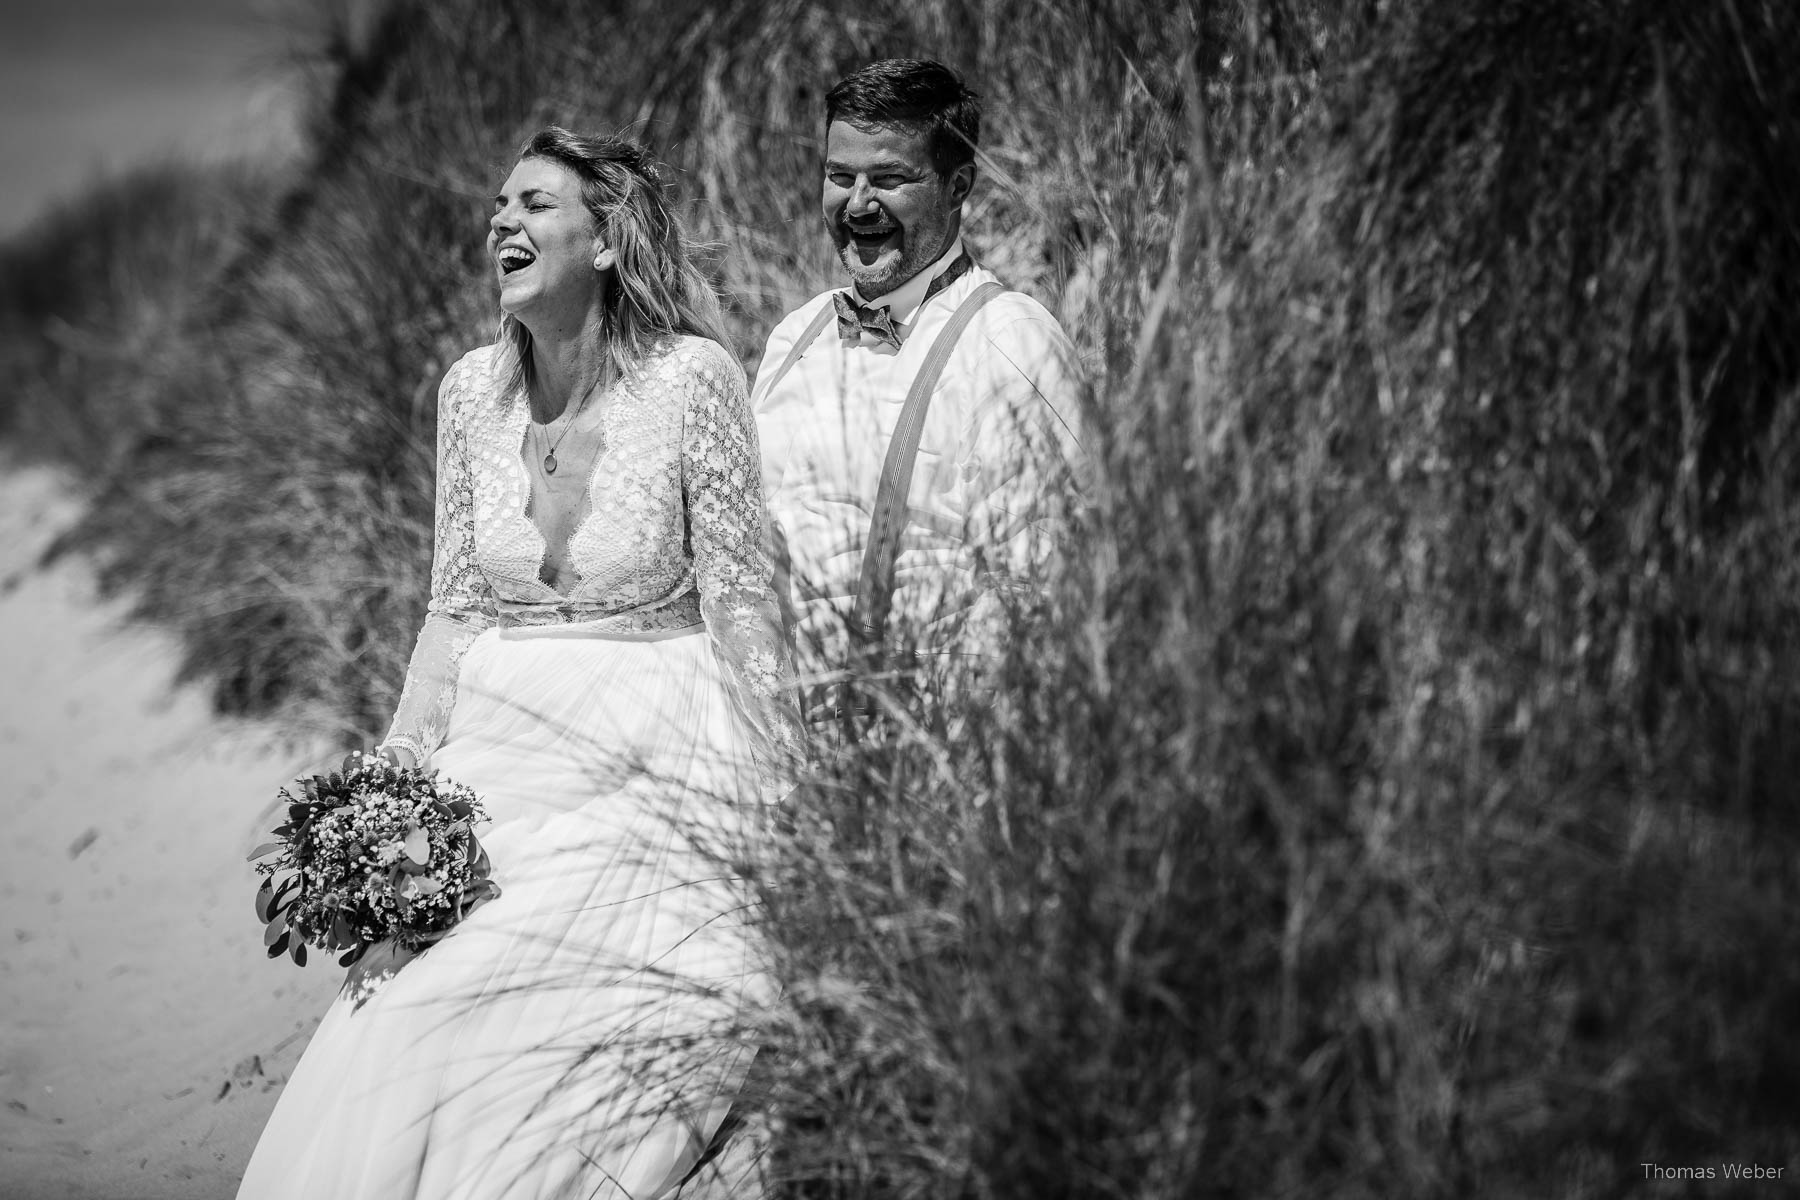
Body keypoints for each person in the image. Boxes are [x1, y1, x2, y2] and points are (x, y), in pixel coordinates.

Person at [238, 128, 797, 1200]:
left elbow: (740, 603)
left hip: (652, 757)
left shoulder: (693, 379)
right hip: (496, 759)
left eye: (536, 203)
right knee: (406, 1008)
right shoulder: (466, 395)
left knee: (560, 1019)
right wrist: (390, 783)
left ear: (604, 240)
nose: (503, 220)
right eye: (499, 204)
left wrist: (784, 792)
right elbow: (453, 607)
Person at [752, 58, 1083, 702]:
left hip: (910, 739)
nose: (858, 204)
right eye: (840, 176)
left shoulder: (1012, 338)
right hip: (763, 738)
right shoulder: (796, 335)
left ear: (957, 185)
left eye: (890, 179)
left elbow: (1038, 579)